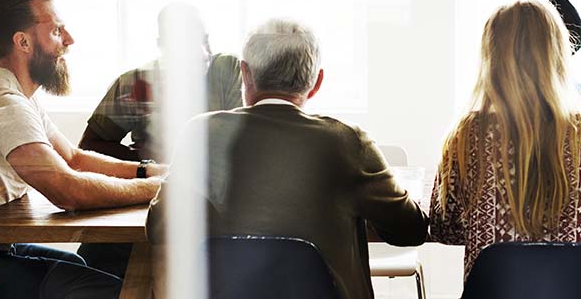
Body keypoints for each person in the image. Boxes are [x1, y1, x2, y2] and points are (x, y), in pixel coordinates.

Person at [145, 18, 428, 299]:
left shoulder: (199, 133)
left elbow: (159, 226)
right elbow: (410, 230)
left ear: (245, 73)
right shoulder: (347, 142)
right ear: (317, 82)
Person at [429, 0, 581, 279]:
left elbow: (444, 229)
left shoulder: (466, 136)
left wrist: (494, 230)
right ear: (558, 55)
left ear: (491, 57)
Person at [0, 0, 166, 298]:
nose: (69, 40)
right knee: (124, 291)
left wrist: (151, 170)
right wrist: (159, 190)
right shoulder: (4, 103)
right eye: (57, 31)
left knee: (86, 266)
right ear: (22, 42)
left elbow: (73, 158)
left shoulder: (13, 93)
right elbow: (67, 190)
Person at [80, 3, 242, 163]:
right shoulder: (134, 81)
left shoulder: (228, 69)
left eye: (204, 40)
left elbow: (244, 139)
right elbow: (88, 147)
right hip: (155, 182)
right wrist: (142, 157)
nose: (203, 53)